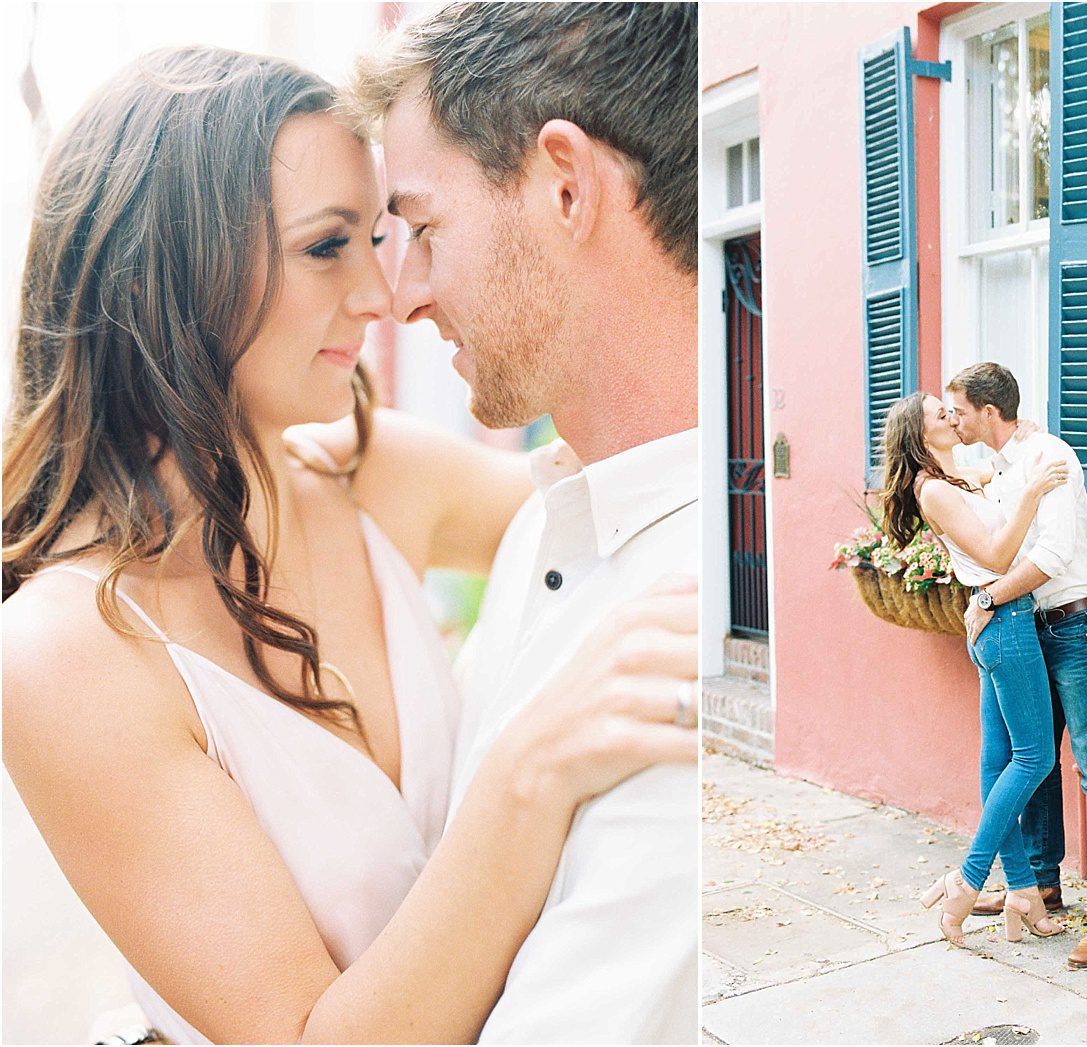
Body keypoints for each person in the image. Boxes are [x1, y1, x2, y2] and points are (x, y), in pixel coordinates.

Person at [1, 45, 697, 1045]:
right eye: (330, 246)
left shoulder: (372, 476)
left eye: (388, 235)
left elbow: (624, 511)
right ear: (169, 268)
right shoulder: (65, 654)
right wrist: (528, 775)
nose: (382, 295)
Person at [343, 3, 699, 1041]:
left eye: (422, 228)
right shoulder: (546, 527)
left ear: (563, 184)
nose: (399, 295)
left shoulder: (680, 649)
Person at [946, 361, 1087, 969]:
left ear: (988, 411)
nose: (953, 420)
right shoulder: (1005, 464)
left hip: (1075, 624)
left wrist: (986, 597)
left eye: (959, 411)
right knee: (1037, 763)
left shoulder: (1049, 456)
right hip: (1031, 627)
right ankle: (1041, 885)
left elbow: (1054, 555)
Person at [879, 392, 1069, 947]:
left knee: (997, 763)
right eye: (943, 415)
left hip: (995, 621)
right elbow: (996, 556)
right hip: (1005, 619)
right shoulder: (935, 490)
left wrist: (1019, 439)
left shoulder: (955, 478)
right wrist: (1033, 493)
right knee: (1034, 756)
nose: (953, 418)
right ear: (921, 435)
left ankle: (1024, 892)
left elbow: (994, 468)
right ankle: (968, 878)